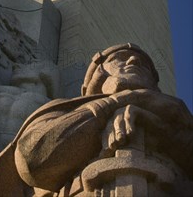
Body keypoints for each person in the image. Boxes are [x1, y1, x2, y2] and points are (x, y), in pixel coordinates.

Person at [14, 43, 193, 194]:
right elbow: (32, 161)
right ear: (98, 74)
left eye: (146, 66)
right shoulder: (64, 111)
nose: (133, 60)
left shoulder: (177, 116)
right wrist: (116, 103)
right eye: (119, 58)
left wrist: (163, 129)